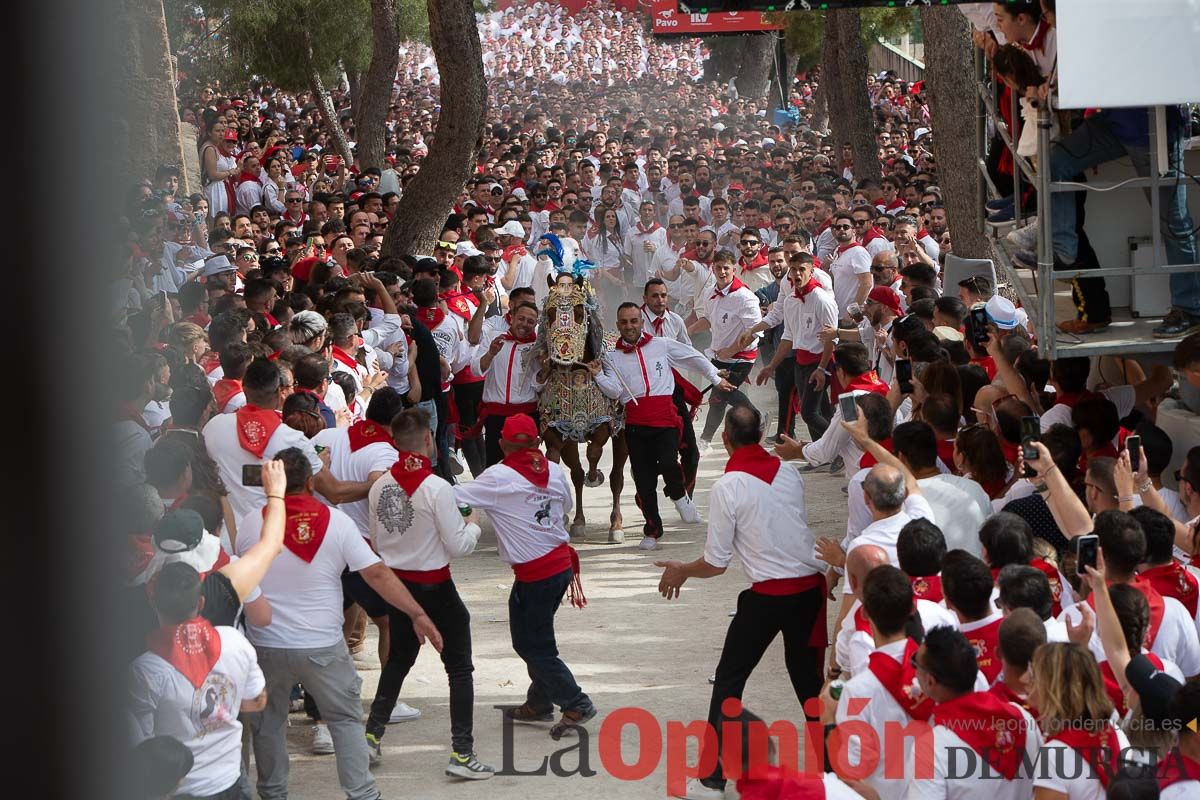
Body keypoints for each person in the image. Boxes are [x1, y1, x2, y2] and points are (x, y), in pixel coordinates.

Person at [237, 447, 442, 800]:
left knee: (267, 727)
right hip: (323, 645)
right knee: (345, 721)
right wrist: (417, 612)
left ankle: (273, 794)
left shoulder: (253, 523)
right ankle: (361, 793)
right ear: (313, 482)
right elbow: (377, 573)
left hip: (266, 644)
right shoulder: (338, 522)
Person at [656, 406, 826, 800]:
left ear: (725, 439)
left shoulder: (727, 487)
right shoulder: (787, 472)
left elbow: (716, 563)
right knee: (809, 685)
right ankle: (837, 772)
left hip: (767, 596)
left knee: (730, 681)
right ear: (761, 432)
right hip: (807, 591)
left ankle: (713, 778)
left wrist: (682, 569)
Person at [363, 408, 493, 779]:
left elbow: (376, 538)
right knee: (459, 667)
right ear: (427, 440)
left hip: (397, 585)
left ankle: (371, 735)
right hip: (434, 584)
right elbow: (457, 546)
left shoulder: (379, 486)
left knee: (400, 660)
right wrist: (474, 526)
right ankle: (462, 753)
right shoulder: (437, 487)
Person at [452, 415, 596, 740]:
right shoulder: (556, 472)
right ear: (538, 443)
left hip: (538, 575)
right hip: (559, 567)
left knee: (534, 645)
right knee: (536, 639)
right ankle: (539, 701)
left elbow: (455, 496)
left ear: (502, 444)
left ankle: (576, 702)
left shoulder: (498, 476)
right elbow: (566, 505)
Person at [128, 562, 268, 800]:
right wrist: (223, 711)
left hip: (178, 787)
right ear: (201, 602)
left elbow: (143, 744)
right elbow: (257, 699)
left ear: (154, 603)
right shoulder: (234, 641)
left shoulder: (145, 670)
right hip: (231, 779)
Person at [595, 302, 729, 549]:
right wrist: (597, 374)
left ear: (641, 323)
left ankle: (679, 495)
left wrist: (714, 377)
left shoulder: (661, 345)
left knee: (669, 463)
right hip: (635, 425)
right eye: (624, 322)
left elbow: (693, 357)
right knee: (644, 481)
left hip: (665, 420)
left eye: (634, 321)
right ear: (618, 326)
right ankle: (652, 531)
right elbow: (614, 391)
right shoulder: (611, 357)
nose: (629, 326)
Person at [906, 625, 1041, 799]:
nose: (914, 670)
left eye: (915, 664)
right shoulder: (1022, 718)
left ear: (930, 681)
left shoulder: (931, 748)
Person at [689, 251, 763, 450]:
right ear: (712, 269)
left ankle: (757, 417)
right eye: (718, 267)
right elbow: (708, 320)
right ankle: (705, 441)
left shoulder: (745, 297)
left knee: (723, 392)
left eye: (726, 268)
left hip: (741, 356)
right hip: (718, 354)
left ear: (734, 269)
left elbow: (755, 331)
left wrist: (731, 350)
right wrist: (688, 332)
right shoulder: (710, 293)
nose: (722, 272)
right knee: (717, 399)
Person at [470, 300, 544, 467]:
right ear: (511, 318)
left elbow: (538, 386)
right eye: (521, 319)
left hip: (527, 416)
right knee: (496, 468)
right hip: (496, 417)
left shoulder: (538, 347)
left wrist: (543, 368)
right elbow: (476, 369)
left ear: (536, 324)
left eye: (530, 321)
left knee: (526, 467)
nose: (524, 324)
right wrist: (491, 353)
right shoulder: (494, 337)